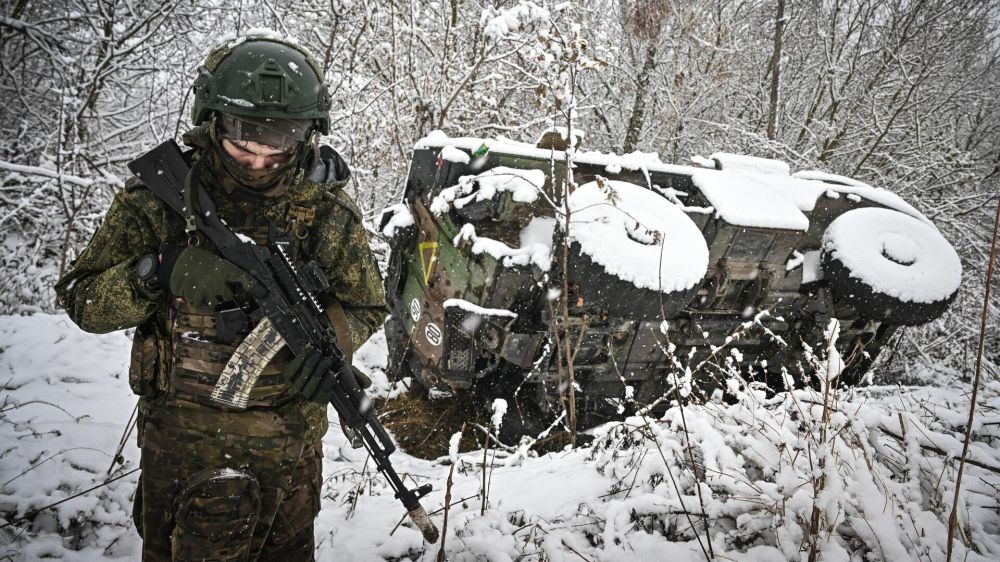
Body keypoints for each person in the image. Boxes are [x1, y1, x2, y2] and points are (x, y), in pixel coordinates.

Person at [55, 34, 386, 561]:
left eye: (276, 149)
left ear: (306, 137)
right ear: (211, 120)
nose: (257, 163)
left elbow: (369, 304)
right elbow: (81, 299)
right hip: (184, 447)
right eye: (241, 146)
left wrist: (330, 342)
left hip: (291, 449)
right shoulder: (160, 199)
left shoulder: (324, 211)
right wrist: (157, 271)